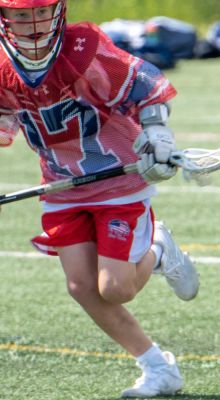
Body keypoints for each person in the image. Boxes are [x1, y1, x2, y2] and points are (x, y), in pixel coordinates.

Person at [0, 0, 199, 397]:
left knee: (116, 289)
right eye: (21, 15)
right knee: (81, 287)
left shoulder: (82, 49)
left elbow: (143, 86)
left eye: (41, 12)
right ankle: (158, 368)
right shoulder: (3, 66)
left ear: (58, 11)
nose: (33, 24)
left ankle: (159, 249)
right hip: (62, 185)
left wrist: (156, 134)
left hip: (117, 180)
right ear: (5, 18)